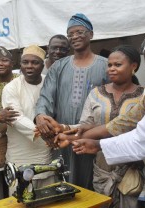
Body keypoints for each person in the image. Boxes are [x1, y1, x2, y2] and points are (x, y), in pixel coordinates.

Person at [55, 45, 144, 207]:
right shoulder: (96, 93)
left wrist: (69, 135)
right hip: (101, 170)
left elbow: (137, 132)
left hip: (131, 172)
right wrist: (66, 130)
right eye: (109, 65)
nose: (112, 69)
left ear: (134, 66)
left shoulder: (143, 97)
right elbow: (85, 125)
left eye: (118, 65)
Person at [34, 13, 109, 189]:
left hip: (93, 135)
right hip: (63, 137)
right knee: (64, 181)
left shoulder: (106, 65)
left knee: (92, 183)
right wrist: (40, 116)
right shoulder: (59, 66)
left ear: (90, 34)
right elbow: (46, 95)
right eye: (70, 34)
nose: (74, 37)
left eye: (79, 32)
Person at [2, 45, 58, 195]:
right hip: (20, 154)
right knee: (21, 198)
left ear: (43, 64)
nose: (29, 66)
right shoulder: (11, 88)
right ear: (20, 64)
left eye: (35, 62)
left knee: (47, 197)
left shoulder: (49, 84)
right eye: (25, 62)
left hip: (45, 151)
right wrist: (43, 132)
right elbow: (15, 117)